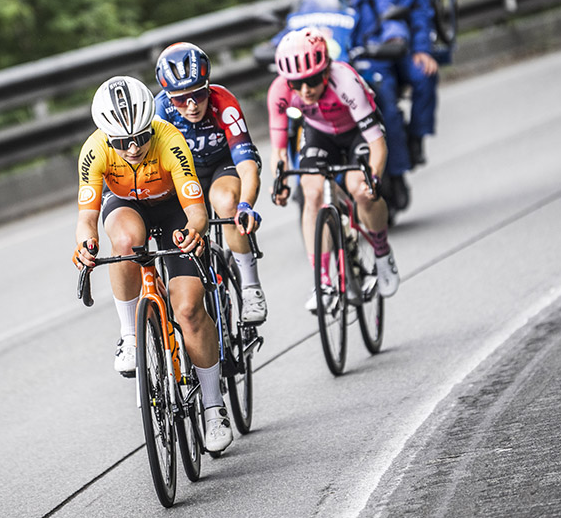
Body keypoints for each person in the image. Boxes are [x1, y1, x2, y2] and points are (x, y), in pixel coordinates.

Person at [72, 75, 232, 452]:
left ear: (150, 127)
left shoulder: (169, 138)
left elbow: (195, 209)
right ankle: (130, 335)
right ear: (106, 136)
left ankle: (213, 407)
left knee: (190, 309)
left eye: (140, 138)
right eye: (120, 143)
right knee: (125, 242)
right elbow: (86, 218)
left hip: (173, 208)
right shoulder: (94, 150)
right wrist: (85, 245)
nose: (131, 148)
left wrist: (195, 230)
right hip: (126, 206)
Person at [267, 28, 400, 311]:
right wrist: (279, 180)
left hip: (358, 134)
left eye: (313, 80)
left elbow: (378, 146)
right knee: (311, 192)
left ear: (326, 70)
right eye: (296, 83)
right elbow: (279, 150)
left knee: (360, 190)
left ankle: (381, 251)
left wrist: (373, 179)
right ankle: (324, 281)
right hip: (320, 133)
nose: (305, 90)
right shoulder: (279, 91)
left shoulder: (346, 81)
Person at [153, 42, 267, 324]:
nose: (191, 106)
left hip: (222, 166)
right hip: (184, 174)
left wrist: (245, 206)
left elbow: (247, 165)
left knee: (226, 203)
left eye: (198, 94)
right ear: (169, 97)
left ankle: (251, 287)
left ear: (208, 87)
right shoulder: (160, 111)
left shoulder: (224, 103)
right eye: (180, 99)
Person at [300, 0, 413, 212]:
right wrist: (274, 45)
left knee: (383, 97)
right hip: (322, 70)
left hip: (368, 64)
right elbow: (294, 31)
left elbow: (391, 21)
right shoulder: (313, 1)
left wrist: (391, 39)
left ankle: (394, 170)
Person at [362, 0, 441, 169]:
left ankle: (417, 136)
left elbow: (423, 16)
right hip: (371, 52)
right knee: (382, 95)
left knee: (424, 75)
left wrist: (422, 50)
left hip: (404, 50)